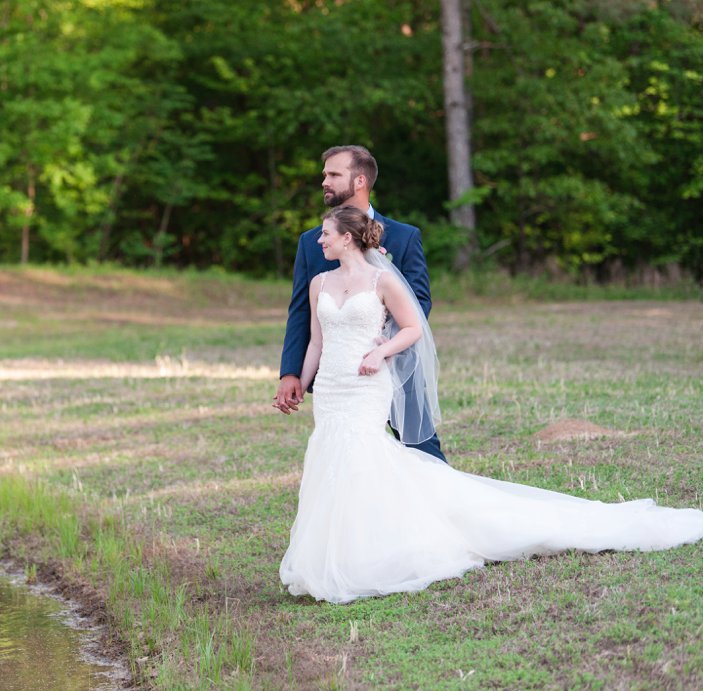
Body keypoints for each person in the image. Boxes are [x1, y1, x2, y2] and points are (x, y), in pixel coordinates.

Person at [277, 206, 703, 602]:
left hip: (367, 383)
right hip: (331, 388)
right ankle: (343, 552)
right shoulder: (320, 284)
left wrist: (381, 351)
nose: (319, 240)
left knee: (362, 455)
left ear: (348, 238)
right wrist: (299, 382)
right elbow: (316, 342)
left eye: (326, 234)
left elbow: (413, 328)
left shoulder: (381, 281)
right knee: (332, 456)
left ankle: (370, 555)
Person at [274, 145, 446, 463]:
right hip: (339, 375)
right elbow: (300, 312)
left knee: (422, 451)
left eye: (333, 174)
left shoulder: (404, 236)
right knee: (346, 455)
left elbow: (419, 301)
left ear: (360, 181)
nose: (324, 181)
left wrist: (386, 346)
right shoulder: (312, 242)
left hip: (396, 362)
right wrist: (291, 373)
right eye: (325, 174)